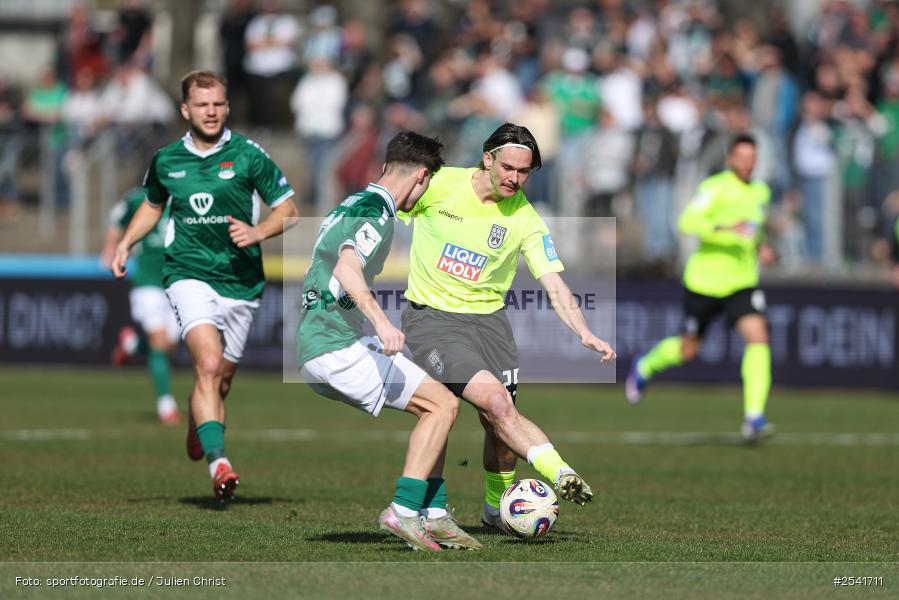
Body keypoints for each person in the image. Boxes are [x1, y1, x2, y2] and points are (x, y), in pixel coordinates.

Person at [399, 122, 616, 532]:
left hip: (490, 325)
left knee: (501, 425)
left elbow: (554, 283)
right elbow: (389, 200)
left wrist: (584, 331)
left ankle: (496, 509)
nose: (515, 179)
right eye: (509, 168)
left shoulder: (525, 219)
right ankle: (560, 473)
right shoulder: (440, 184)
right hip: (432, 319)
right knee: (492, 404)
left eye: (524, 172)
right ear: (487, 158)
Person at [111, 70, 298, 499]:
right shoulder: (166, 160)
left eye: (218, 104)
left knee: (221, 380)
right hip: (188, 274)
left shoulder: (250, 155)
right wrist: (125, 242)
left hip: (242, 280)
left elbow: (288, 208)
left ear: (227, 107)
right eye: (202, 105)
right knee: (208, 366)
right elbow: (152, 207)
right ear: (185, 110)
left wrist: (258, 233)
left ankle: (201, 423)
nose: (210, 112)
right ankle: (220, 465)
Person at [297, 131, 481, 552]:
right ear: (421, 176)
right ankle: (404, 509)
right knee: (443, 406)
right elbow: (346, 266)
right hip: (334, 344)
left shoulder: (354, 202)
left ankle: (434, 516)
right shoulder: (377, 212)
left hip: (321, 345)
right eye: (429, 183)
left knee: (437, 404)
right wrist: (381, 322)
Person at [626, 135, 776, 442]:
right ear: (731, 159)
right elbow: (688, 221)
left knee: (758, 336)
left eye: (752, 157)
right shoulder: (715, 188)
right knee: (688, 349)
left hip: (742, 283)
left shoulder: (761, 192)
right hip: (705, 282)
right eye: (742, 156)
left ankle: (754, 416)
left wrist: (762, 247)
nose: (748, 163)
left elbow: (754, 231)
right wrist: (724, 230)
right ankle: (646, 365)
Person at [101, 187, 182, 425]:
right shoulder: (139, 198)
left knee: (168, 346)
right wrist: (111, 247)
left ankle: (132, 345)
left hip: (178, 282)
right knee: (159, 340)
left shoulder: (187, 193)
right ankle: (166, 406)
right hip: (147, 280)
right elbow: (116, 220)